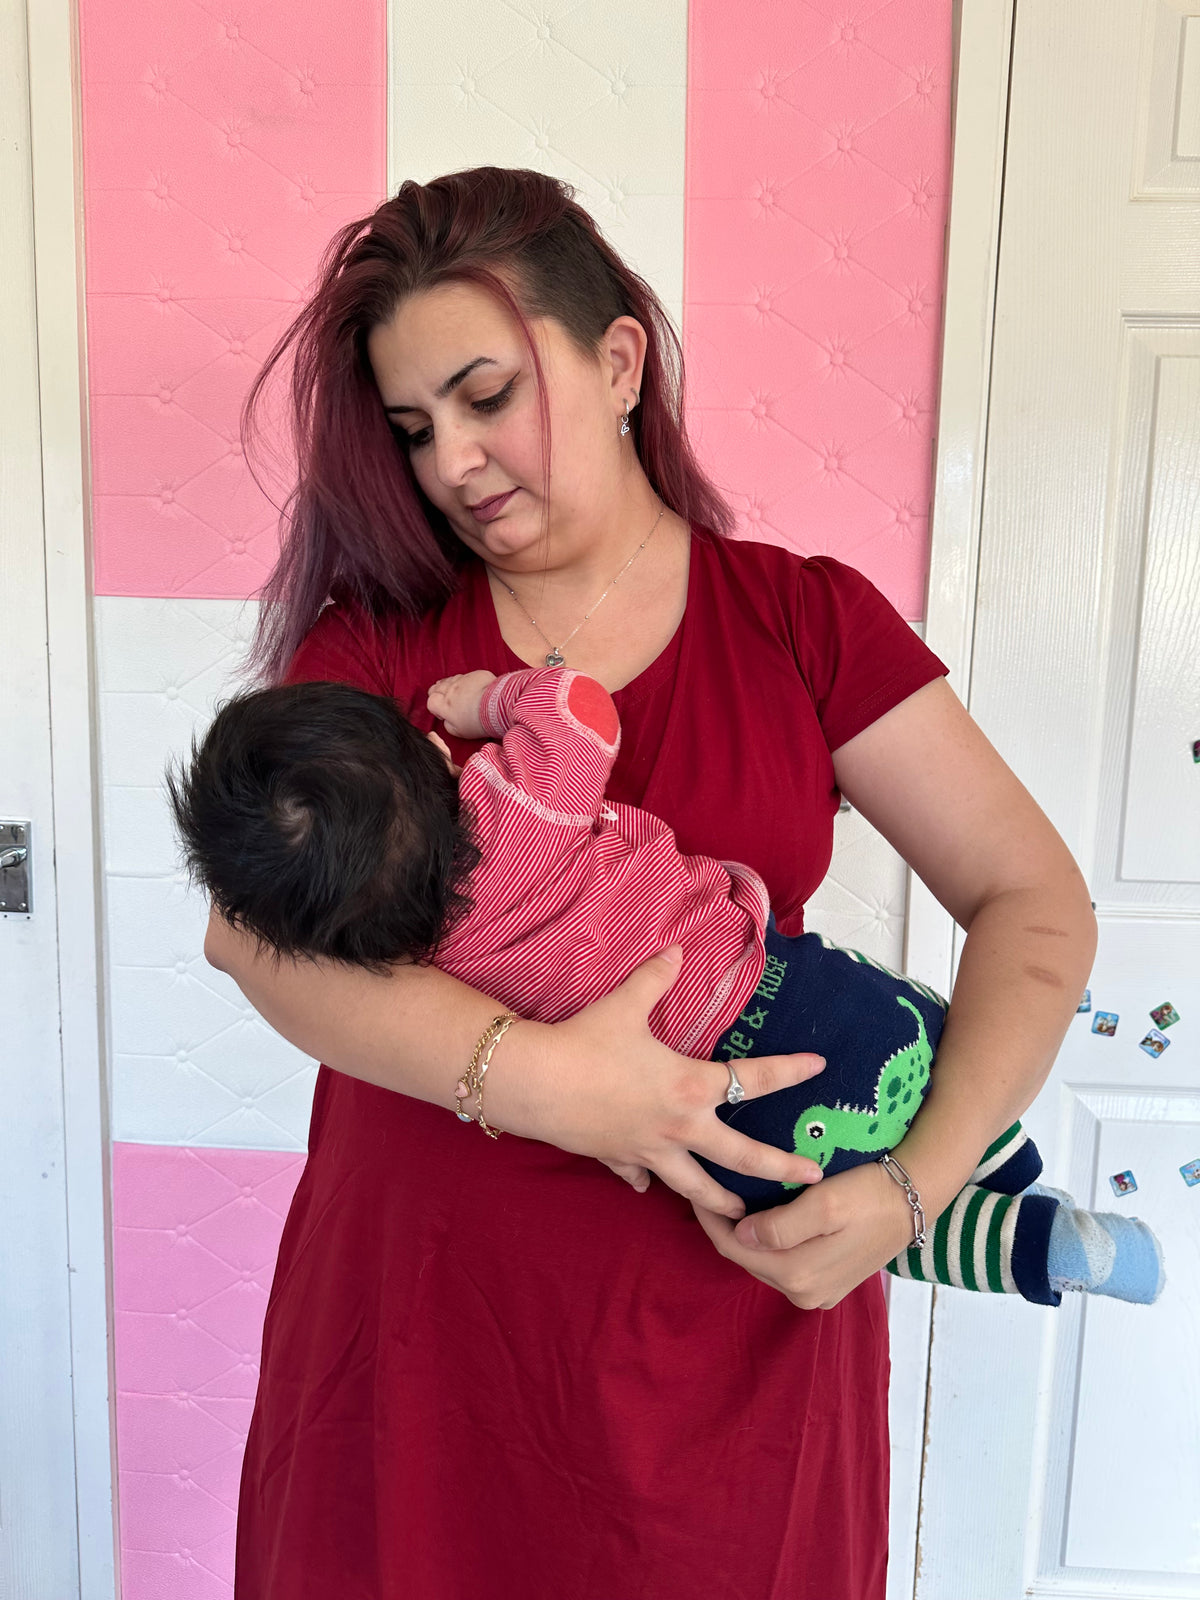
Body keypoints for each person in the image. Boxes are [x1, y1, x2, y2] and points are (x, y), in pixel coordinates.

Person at [207, 167, 1099, 1599]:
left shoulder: (805, 620)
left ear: (620, 358)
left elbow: (1038, 908)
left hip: (735, 1353)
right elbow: (253, 944)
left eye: (488, 396)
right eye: (414, 428)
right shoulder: (377, 647)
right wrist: (561, 1085)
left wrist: (915, 1197)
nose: (452, 464)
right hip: (425, 1337)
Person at [172, 665, 1162, 1308]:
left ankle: (1040, 1243)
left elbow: (250, 939)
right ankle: (1002, 1149)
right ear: (427, 757)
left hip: (704, 1133)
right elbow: (579, 711)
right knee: (908, 1039)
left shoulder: (401, 956)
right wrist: (482, 704)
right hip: (775, 989)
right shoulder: (513, 799)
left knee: (864, 1229)